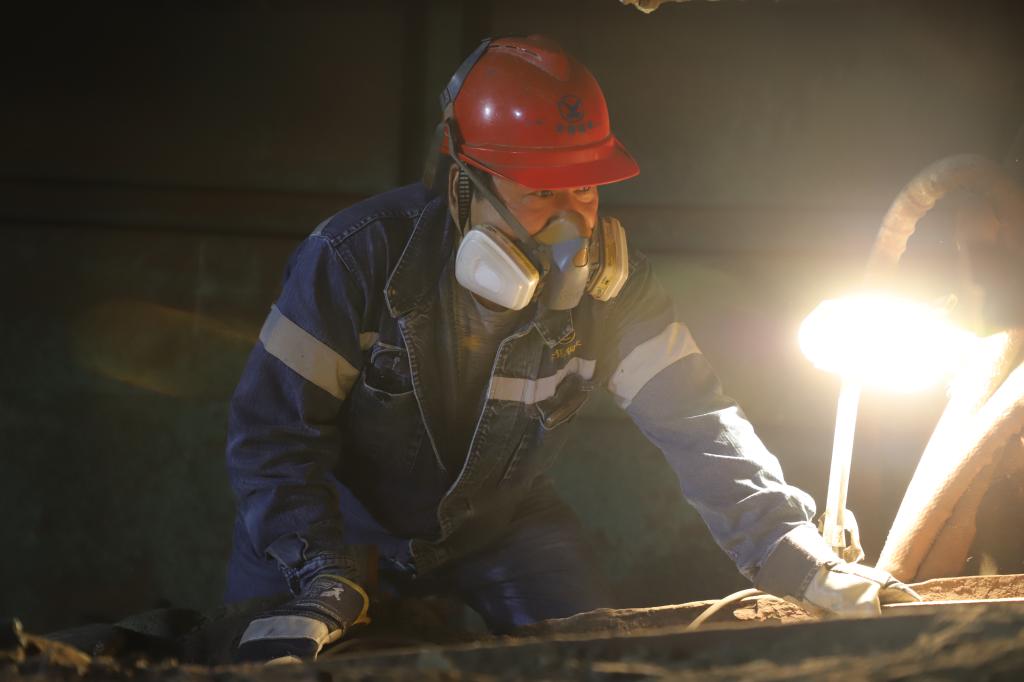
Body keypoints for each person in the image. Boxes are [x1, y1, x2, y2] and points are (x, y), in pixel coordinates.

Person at [225, 35, 916, 663]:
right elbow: (271, 436)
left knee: (593, 659)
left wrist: (794, 552)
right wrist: (321, 569)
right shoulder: (353, 259)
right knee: (274, 660)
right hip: (334, 527)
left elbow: (698, 421)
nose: (570, 224)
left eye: (583, 188)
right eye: (539, 193)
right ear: (465, 183)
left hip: (501, 525)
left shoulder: (615, 289)